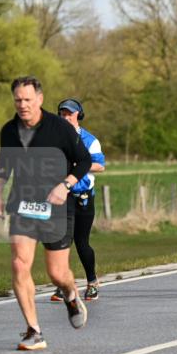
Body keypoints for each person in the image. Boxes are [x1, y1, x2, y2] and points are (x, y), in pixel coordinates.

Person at [0, 76, 92, 351]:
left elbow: (84, 160)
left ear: (39, 99)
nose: (22, 105)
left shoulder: (60, 128)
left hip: (56, 205)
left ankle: (71, 293)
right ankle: (34, 331)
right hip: (23, 204)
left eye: (27, 99)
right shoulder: (9, 130)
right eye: (18, 100)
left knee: (57, 273)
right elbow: (4, 165)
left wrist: (65, 185)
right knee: (19, 264)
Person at [50, 99, 105, 303]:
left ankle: (92, 282)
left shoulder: (89, 140)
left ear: (78, 115)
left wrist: (79, 164)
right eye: (62, 114)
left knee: (81, 243)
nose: (66, 118)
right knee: (62, 241)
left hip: (82, 197)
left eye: (69, 114)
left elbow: (100, 166)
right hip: (62, 196)